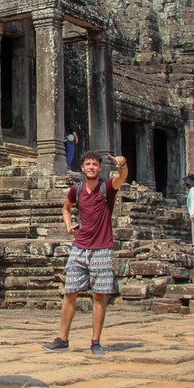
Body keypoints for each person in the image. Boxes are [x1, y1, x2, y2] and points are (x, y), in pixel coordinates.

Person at [45, 151, 128, 357]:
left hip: (102, 247)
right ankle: (62, 338)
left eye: (95, 164)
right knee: (70, 292)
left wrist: (122, 165)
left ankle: (96, 341)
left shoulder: (107, 187)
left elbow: (122, 177)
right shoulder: (77, 189)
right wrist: (68, 225)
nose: (91, 167)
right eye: (88, 164)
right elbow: (66, 208)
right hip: (80, 247)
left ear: (100, 169)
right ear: (82, 168)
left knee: (99, 295)